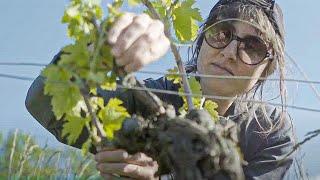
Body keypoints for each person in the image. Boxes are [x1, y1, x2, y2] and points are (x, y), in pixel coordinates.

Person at [25, 0, 296, 179]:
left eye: (253, 47)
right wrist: (102, 47)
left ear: (267, 69)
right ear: (201, 41)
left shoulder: (269, 133)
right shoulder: (148, 99)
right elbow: (44, 101)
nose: (229, 52)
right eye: (221, 33)